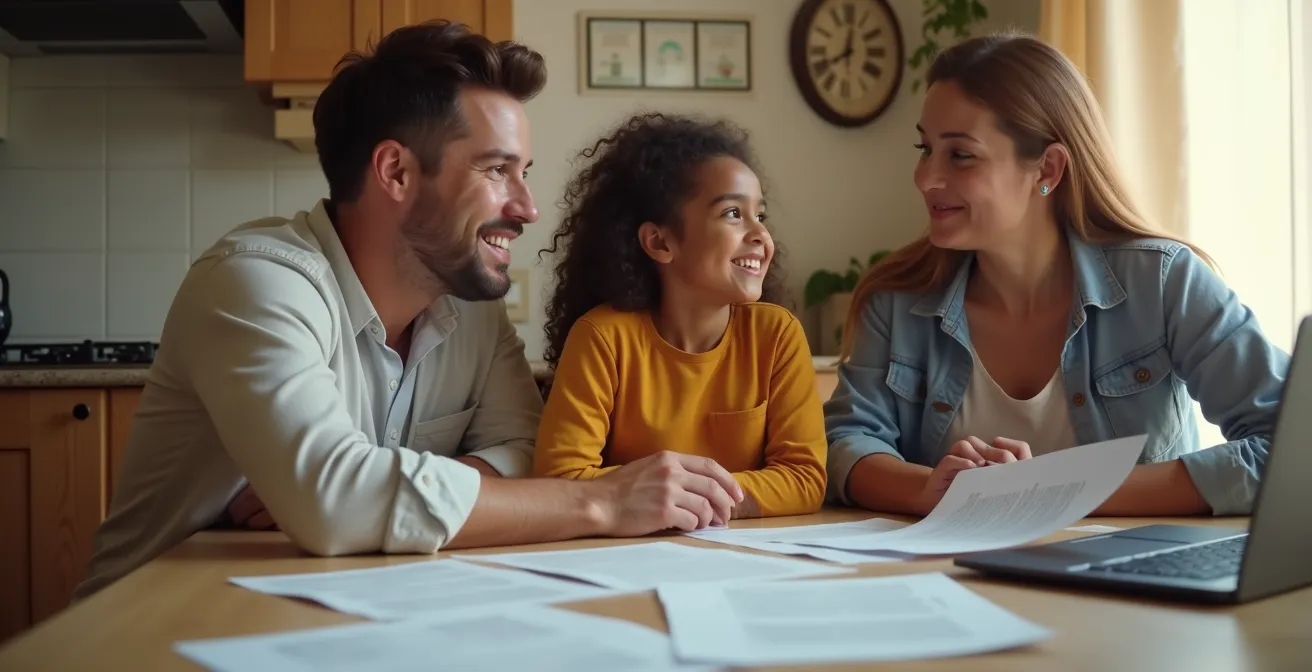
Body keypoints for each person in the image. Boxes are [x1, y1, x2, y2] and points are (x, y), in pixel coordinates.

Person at [75, 22, 743, 601]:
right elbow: (335, 506)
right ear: (395, 172)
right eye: (496, 170)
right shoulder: (256, 284)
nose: (527, 207)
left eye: (524, 172)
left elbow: (525, 454)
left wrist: (375, 491)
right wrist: (604, 499)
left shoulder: (470, 309)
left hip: (329, 610)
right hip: (153, 624)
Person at [824, 32, 1289, 520]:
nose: (925, 178)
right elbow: (844, 444)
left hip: (1135, 568)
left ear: (1047, 168)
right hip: (951, 566)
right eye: (925, 148)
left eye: (960, 155)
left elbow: (1288, 447)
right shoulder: (896, 300)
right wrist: (930, 490)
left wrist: (1054, 491)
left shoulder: (1165, 282)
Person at [532, 113, 827, 520]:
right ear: (659, 242)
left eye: (760, 215)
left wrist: (688, 498)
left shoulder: (778, 335)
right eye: (732, 214)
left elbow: (805, 479)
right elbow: (559, 477)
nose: (761, 234)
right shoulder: (601, 337)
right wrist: (676, 497)